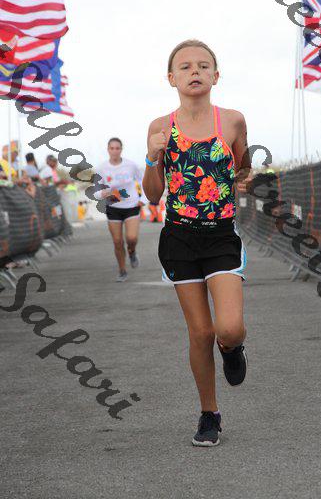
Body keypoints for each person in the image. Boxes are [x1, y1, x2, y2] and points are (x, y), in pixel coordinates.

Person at [142, 39, 252, 447]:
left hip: (221, 236)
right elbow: (153, 195)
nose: (195, 71)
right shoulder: (160, 127)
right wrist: (152, 157)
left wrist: (242, 180)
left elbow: (242, 169)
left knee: (229, 328)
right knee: (200, 333)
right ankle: (209, 414)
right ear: (171, 78)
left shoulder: (233, 121)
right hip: (180, 239)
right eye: (185, 66)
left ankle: (232, 348)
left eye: (204, 66)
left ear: (215, 76)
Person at [94, 138, 145, 282]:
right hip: (113, 207)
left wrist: (144, 199)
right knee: (117, 241)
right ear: (108, 150)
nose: (115, 151)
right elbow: (96, 191)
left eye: (117, 148)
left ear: (121, 149)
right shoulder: (101, 168)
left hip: (131, 205)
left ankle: (132, 251)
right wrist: (102, 193)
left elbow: (143, 180)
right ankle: (122, 271)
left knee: (132, 238)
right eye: (112, 148)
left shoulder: (131, 165)